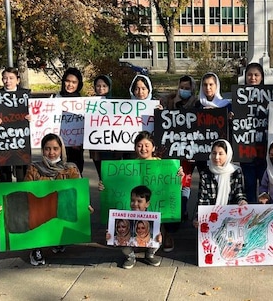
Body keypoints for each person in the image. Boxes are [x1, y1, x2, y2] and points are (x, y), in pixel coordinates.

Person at [99, 131, 182, 253]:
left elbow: (173, 190)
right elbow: (116, 186)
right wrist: (103, 187)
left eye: (147, 145)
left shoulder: (165, 166)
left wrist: (178, 178)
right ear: (134, 148)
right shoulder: (127, 167)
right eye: (139, 145)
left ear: (153, 147)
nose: (143, 149)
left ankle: (166, 235)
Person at [23, 133, 82, 266]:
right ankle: (36, 248)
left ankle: (59, 240)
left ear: (61, 150)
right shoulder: (34, 168)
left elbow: (78, 192)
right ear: (42, 150)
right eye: (47, 149)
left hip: (61, 210)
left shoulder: (70, 169)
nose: (51, 152)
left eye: (55, 148)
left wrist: (85, 204)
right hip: (40, 211)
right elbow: (25, 192)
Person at [160, 75, 197, 220]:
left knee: (185, 180)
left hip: (189, 148)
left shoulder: (196, 103)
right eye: (182, 87)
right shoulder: (169, 100)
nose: (184, 90)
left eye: (187, 88)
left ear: (192, 89)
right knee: (173, 178)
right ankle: (173, 208)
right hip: (171, 148)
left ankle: (183, 208)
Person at [0, 67, 31, 183]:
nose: (8, 81)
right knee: (4, 174)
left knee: (22, 173)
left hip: (22, 140)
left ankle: (23, 198)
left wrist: (32, 117)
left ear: (18, 80)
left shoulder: (26, 95)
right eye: (5, 78)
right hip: (3, 141)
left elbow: (38, 115)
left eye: (11, 78)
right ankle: (6, 199)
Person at [194, 139, 247, 224]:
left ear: (228, 155)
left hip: (231, 216)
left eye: (221, 154)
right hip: (211, 217)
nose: (216, 157)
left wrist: (242, 201)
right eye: (214, 153)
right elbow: (203, 199)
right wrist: (199, 217)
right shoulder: (205, 173)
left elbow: (239, 193)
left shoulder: (235, 171)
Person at [109, 185, 162, 268]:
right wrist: (111, 236)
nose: (135, 204)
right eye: (132, 200)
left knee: (158, 237)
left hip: (146, 244)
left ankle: (149, 255)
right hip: (130, 246)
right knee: (122, 239)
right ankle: (130, 257)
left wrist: (159, 238)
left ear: (147, 204)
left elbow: (157, 233)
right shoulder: (125, 217)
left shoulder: (153, 218)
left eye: (139, 201)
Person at [240, 63, 267, 203]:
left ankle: (265, 218)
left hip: (264, 152)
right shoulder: (238, 98)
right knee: (249, 186)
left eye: (256, 75)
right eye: (249, 74)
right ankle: (250, 219)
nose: (253, 78)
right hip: (246, 152)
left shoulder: (270, 98)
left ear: (262, 77)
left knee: (265, 188)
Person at [56, 68, 85, 174]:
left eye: (74, 82)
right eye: (67, 81)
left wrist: (78, 140)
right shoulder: (55, 99)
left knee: (75, 175)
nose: (70, 85)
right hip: (57, 147)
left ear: (79, 84)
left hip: (75, 148)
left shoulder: (83, 103)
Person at [89, 75, 117, 180]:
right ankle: (104, 196)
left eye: (104, 86)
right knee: (102, 177)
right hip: (97, 148)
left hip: (113, 147)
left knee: (113, 177)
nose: (101, 89)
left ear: (109, 87)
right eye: (98, 86)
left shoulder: (117, 104)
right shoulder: (90, 104)